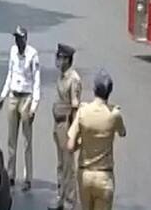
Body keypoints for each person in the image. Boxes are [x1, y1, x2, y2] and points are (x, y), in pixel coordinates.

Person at [67, 69, 126, 210]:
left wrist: (82, 141)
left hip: (85, 175)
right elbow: (122, 132)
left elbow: (70, 146)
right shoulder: (114, 115)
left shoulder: (83, 112)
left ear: (94, 89)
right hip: (104, 176)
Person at [0, 25, 40, 191]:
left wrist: (34, 106)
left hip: (26, 98)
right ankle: (11, 174)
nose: (17, 41)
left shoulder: (32, 55)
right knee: (11, 139)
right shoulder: (13, 51)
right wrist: (3, 96)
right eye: (16, 38)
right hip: (13, 96)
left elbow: (37, 81)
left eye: (20, 38)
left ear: (25, 39)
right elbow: (10, 74)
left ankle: (28, 178)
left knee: (27, 140)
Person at [49, 44, 82, 210]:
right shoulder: (62, 76)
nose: (58, 60)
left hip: (67, 125)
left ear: (67, 60)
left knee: (69, 166)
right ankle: (60, 197)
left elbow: (75, 107)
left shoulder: (73, 79)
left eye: (61, 57)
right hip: (58, 124)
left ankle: (70, 200)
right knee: (61, 164)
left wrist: (73, 134)